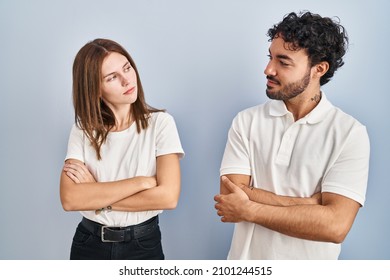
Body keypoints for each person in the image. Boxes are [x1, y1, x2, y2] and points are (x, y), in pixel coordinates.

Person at [214, 11, 370, 259]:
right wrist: (311, 205)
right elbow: (230, 196)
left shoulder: (350, 133)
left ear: (319, 69)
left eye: (283, 62)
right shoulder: (246, 121)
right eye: (270, 57)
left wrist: (250, 210)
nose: (268, 69)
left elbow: (335, 226)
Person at [60, 38, 184, 260]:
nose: (127, 80)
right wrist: (141, 183)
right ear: (95, 90)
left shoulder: (161, 124)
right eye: (112, 77)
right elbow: (70, 198)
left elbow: (168, 197)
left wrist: (96, 195)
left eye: (127, 68)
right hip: (89, 244)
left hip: (143, 244)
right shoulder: (82, 131)